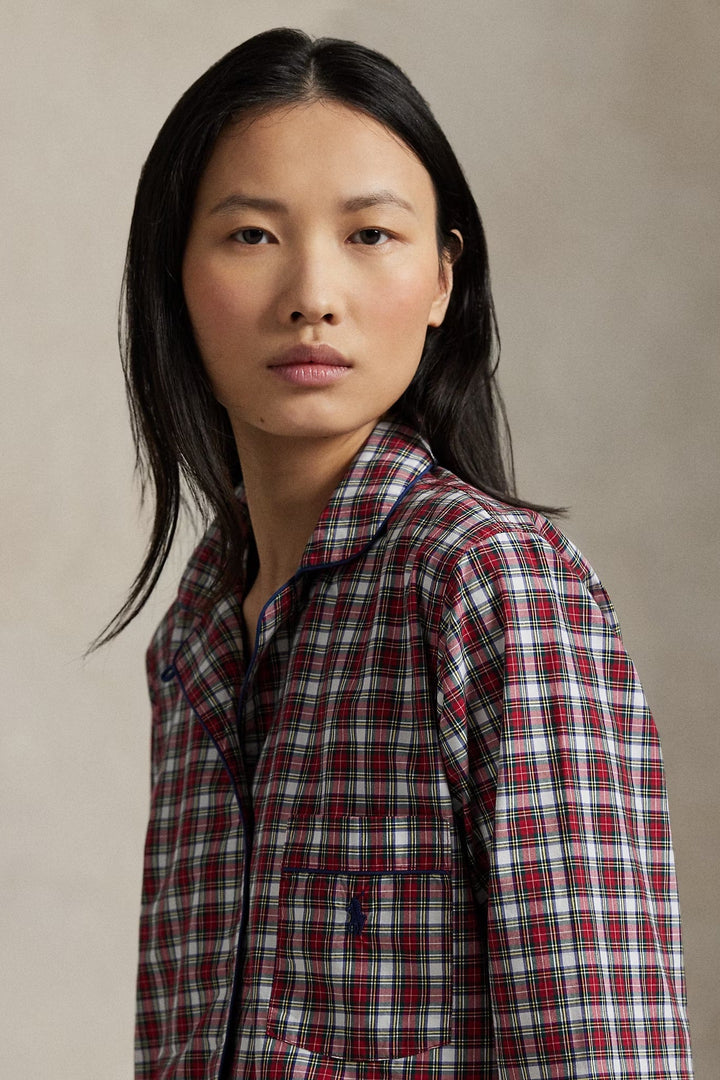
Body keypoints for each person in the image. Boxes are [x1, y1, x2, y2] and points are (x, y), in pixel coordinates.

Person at [103, 26, 693, 1079]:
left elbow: (603, 1049)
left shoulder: (490, 582)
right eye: (251, 235)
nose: (312, 295)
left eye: (370, 234)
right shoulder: (194, 636)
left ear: (442, 281)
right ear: (175, 278)